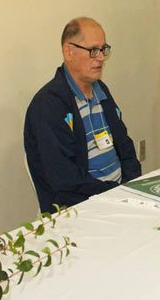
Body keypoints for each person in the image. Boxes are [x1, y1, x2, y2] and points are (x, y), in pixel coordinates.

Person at [24, 17, 141, 213]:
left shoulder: (100, 90)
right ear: (69, 51)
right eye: (93, 50)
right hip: (81, 208)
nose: (101, 58)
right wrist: (116, 194)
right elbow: (66, 181)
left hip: (120, 197)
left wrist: (130, 187)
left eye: (103, 49)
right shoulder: (49, 105)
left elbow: (126, 148)